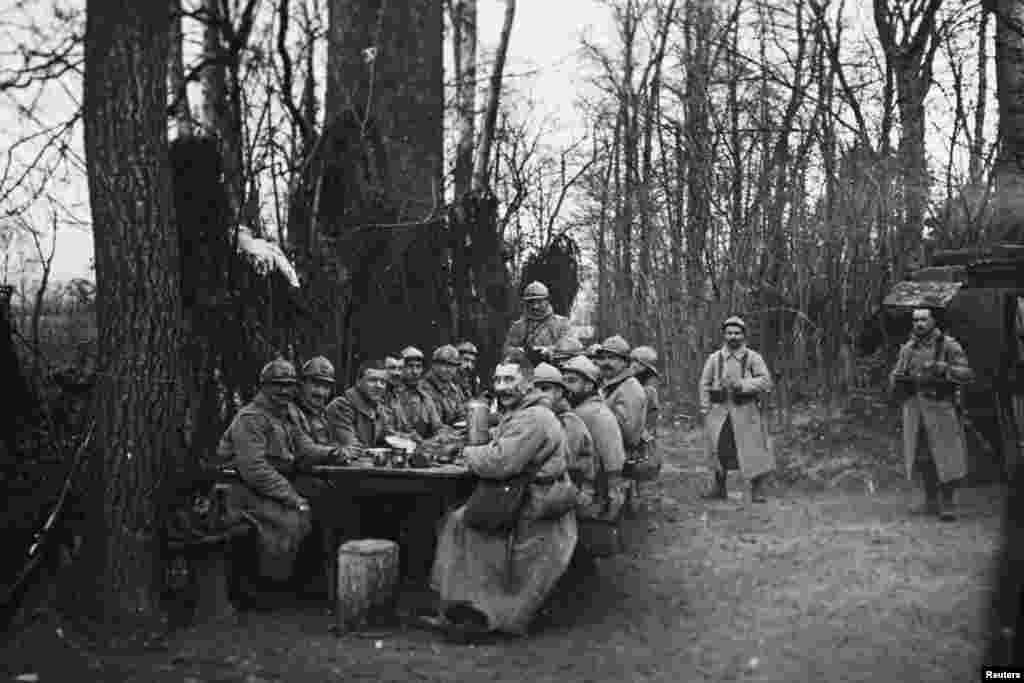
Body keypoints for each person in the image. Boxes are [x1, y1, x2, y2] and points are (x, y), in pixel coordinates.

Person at [429, 357, 578, 641]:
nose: (501, 387)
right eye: (497, 380)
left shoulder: (534, 417)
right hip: (529, 495)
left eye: (509, 380)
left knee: (469, 528)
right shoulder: (525, 412)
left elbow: (501, 462)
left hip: (537, 503)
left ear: (527, 383)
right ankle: (469, 609)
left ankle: (485, 618)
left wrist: (469, 453)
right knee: (461, 521)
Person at [214, 359, 313, 585]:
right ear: (263, 387)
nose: (284, 390)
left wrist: (337, 453)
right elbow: (254, 469)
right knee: (290, 520)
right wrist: (293, 497)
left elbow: (304, 446)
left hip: (270, 486)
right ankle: (270, 587)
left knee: (323, 499)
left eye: (289, 385)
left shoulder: (287, 413)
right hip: (242, 490)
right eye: (276, 384)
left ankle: (302, 581)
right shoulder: (251, 418)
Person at [890, 307, 974, 521]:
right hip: (915, 410)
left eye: (924, 319)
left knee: (946, 457)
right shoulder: (908, 348)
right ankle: (930, 501)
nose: (919, 324)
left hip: (941, 409)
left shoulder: (948, 345)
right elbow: (896, 374)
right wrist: (898, 378)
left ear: (933, 320)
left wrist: (944, 368)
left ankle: (947, 504)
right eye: (915, 319)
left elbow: (967, 374)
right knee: (923, 456)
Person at [699, 316, 774, 503]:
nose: (733, 336)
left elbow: (766, 381)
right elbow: (704, 383)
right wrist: (705, 407)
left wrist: (743, 384)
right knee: (718, 449)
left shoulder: (753, 357)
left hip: (746, 410)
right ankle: (719, 488)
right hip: (719, 411)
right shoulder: (715, 358)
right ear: (724, 335)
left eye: (737, 333)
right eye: (729, 333)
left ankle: (757, 490)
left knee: (754, 449)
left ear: (743, 335)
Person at [561, 355, 628, 521]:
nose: (565, 386)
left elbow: (614, 459)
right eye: (563, 381)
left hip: (591, 495)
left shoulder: (598, 414)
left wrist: (613, 497)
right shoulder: (581, 410)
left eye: (572, 381)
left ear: (589, 385)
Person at [594, 335, 650, 479]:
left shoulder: (630, 389)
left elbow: (628, 434)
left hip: (620, 461)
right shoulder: (608, 383)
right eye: (604, 358)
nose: (606, 363)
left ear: (625, 362)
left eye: (613, 358)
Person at [533, 362, 594, 484]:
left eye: (545, 389)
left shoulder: (568, 421)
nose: (538, 395)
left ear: (559, 392)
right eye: (532, 389)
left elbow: (562, 463)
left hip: (567, 489)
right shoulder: (536, 417)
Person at [325, 359, 394, 452]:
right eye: (373, 380)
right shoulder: (341, 406)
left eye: (383, 382)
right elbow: (352, 448)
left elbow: (390, 438)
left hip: (363, 463)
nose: (379, 386)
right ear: (358, 381)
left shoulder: (379, 409)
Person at [503, 281, 575, 361]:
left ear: (547, 301)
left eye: (539, 302)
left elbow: (572, 344)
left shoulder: (561, 323)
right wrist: (519, 352)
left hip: (555, 366)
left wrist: (550, 349)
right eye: (531, 302)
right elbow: (507, 349)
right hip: (525, 367)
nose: (535, 306)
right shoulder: (518, 326)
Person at [389, 346, 445, 440]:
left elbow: (437, 426)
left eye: (418, 367)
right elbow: (385, 432)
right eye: (410, 366)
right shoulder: (389, 395)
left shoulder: (425, 397)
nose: (415, 372)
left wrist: (441, 435)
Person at [422, 345, 468, 426]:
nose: (449, 370)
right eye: (445, 365)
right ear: (434, 365)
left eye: (453, 366)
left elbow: (462, 415)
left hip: (451, 433)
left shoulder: (453, 388)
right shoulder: (423, 388)